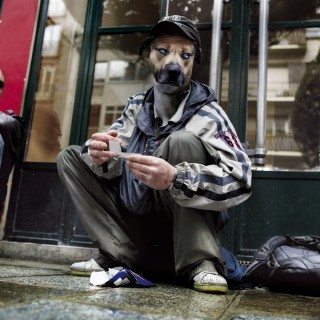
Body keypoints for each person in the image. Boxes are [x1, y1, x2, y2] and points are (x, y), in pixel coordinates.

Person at [57, 15, 252, 294]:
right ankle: (118, 254)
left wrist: (176, 177)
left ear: (194, 61)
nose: (174, 63)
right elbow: (112, 154)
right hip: (136, 217)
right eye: (163, 51)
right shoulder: (137, 105)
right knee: (72, 156)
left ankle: (201, 262)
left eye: (185, 55)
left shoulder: (209, 114)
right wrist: (99, 154)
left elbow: (241, 179)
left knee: (182, 141)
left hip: (181, 223)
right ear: (148, 54)